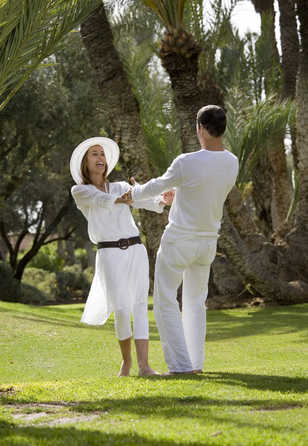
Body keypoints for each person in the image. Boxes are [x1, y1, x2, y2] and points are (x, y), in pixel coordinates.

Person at [126, 105, 239, 375]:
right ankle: (195, 366)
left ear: (201, 129)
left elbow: (156, 186)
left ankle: (180, 367)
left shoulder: (186, 162)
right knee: (195, 304)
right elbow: (204, 193)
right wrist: (178, 196)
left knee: (165, 301)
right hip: (207, 245)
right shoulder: (232, 162)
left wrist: (133, 192)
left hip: (179, 242)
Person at [70, 137, 172, 377]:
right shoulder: (79, 190)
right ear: (85, 162)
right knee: (122, 309)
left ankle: (144, 366)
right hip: (109, 254)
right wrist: (121, 199)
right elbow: (99, 200)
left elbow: (140, 198)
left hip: (136, 250)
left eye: (102, 154)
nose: (100, 158)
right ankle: (126, 363)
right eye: (94, 154)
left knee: (139, 306)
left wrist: (161, 200)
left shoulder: (118, 186)